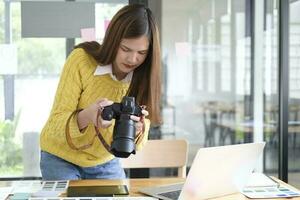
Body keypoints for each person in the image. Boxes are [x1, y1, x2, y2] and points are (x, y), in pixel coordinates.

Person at [40, 4, 161, 180]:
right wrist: (87, 116)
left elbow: (140, 137)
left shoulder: (144, 76)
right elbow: (55, 123)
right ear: (113, 40)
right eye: (125, 49)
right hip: (60, 156)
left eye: (141, 52)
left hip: (104, 160)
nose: (132, 59)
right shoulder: (81, 60)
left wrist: (139, 129)